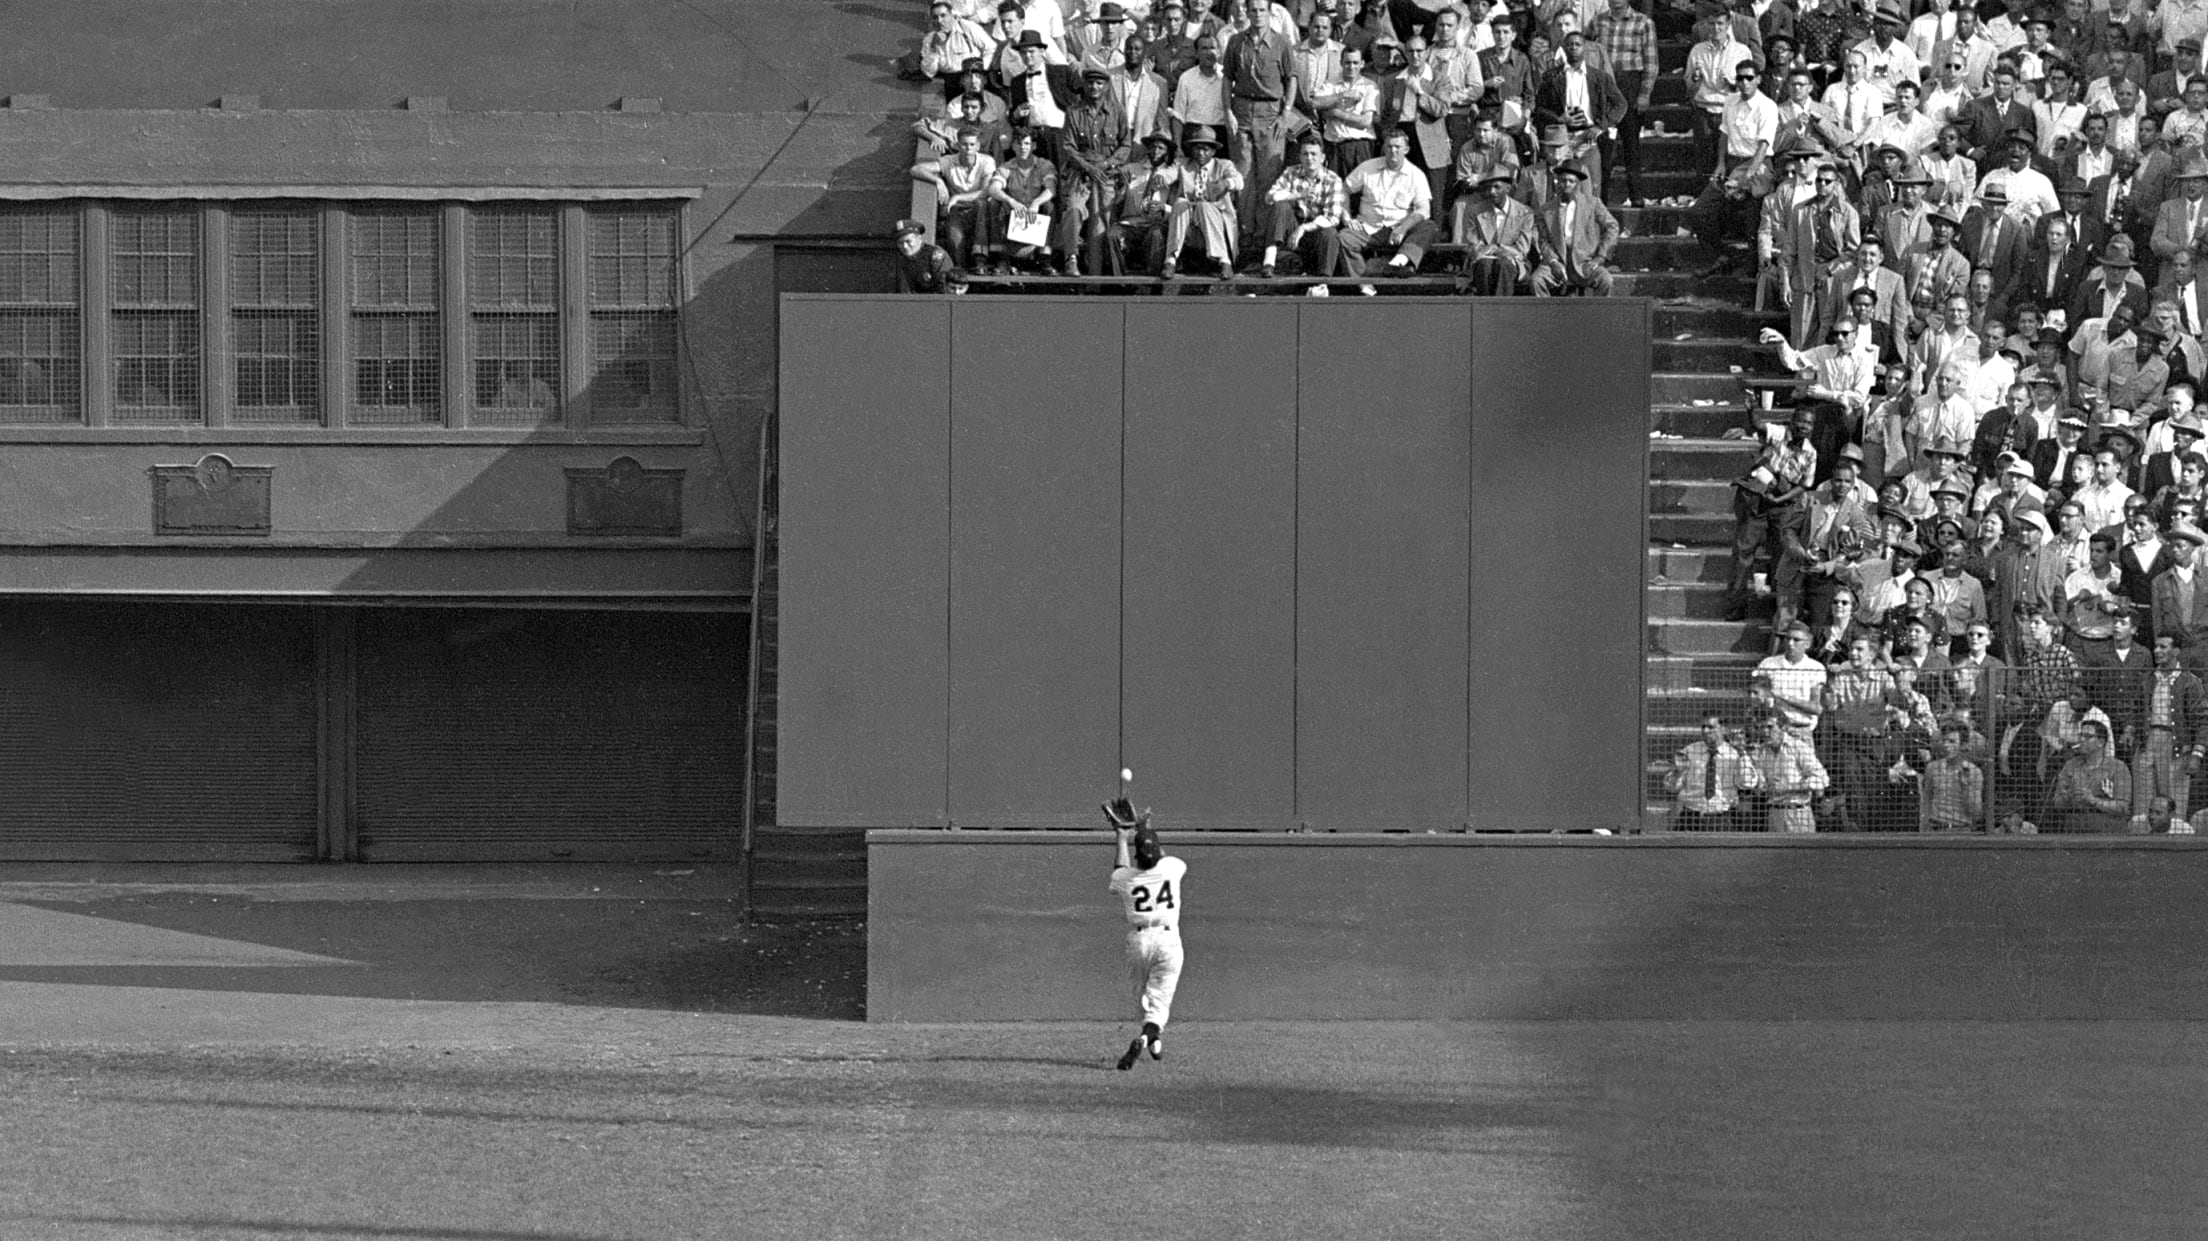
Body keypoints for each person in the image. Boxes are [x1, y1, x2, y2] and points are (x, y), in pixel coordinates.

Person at [1103, 797, 1186, 1070]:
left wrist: (1121, 836)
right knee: (1158, 1005)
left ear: (1137, 856)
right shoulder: (1172, 868)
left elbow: (1121, 869)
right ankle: (1147, 1036)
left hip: (1139, 941)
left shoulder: (1127, 879)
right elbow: (1156, 855)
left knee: (1144, 1002)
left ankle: (1152, 1040)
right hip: (1168, 940)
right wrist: (1145, 827)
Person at [1528, 160, 1616, 295]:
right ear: (1557, 181)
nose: (1566, 185)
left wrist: (1600, 257)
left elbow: (1612, 226)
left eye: (1571, 181)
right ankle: (1544, 315)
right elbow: (1543, 240)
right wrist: (1553, 261)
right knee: (1536, 280)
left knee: (1606, 280)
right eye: (1563, 180)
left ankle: (1600, 316)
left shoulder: (1592, 203)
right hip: (1558, 262)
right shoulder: (1546, 209)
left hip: (1584, 261)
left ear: (1578, 183)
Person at [1666, 713, 1761, 829]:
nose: (1705, 731)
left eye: (1710, 727)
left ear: (1723, 730)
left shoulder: (1735, 753)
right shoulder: (1690, 751)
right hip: (1691, 816)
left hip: (1722, 818)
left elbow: (1748, 784)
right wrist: (1677, 772)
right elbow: (1671, 787)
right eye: (1703, 727)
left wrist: (1743, 756)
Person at [1747, 707, 1831, 832]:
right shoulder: (1761, 752)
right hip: (1774, 814)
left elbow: (1822, 779)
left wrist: (1789, 787)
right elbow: (1762, 789)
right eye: (1760, 727)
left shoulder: (1798, 747)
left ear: (1783, 728)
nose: (1765, 732)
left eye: (1770, 727)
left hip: (1798, 813)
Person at [2045, 716, 2133, 831]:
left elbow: (2122, 806)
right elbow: (2057, 803)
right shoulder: (2070, 766)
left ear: (2101, 742)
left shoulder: (2118, 768)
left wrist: (2093, 800)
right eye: (2080, 735)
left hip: (2108, 831)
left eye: (2087, 737)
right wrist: (2068, 796)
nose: (2081, 739)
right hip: (2075, 829)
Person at [1917, 720, 1986, 831]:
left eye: (1952, 741)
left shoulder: (1973, 772)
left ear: (1963, 745)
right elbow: (1926, 802)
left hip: (1961, 831)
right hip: (1936, 830)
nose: (1946, 745)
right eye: (1944, 741)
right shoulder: (1933, 768)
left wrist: (1966, 788)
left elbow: (1976, 813)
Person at [893, 218, 958, 292]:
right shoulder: (899, 258)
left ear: (919, 239)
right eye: (900, 243)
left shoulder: (935, 256)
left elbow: (945, 287)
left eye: (908, 241)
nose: (904, 246)